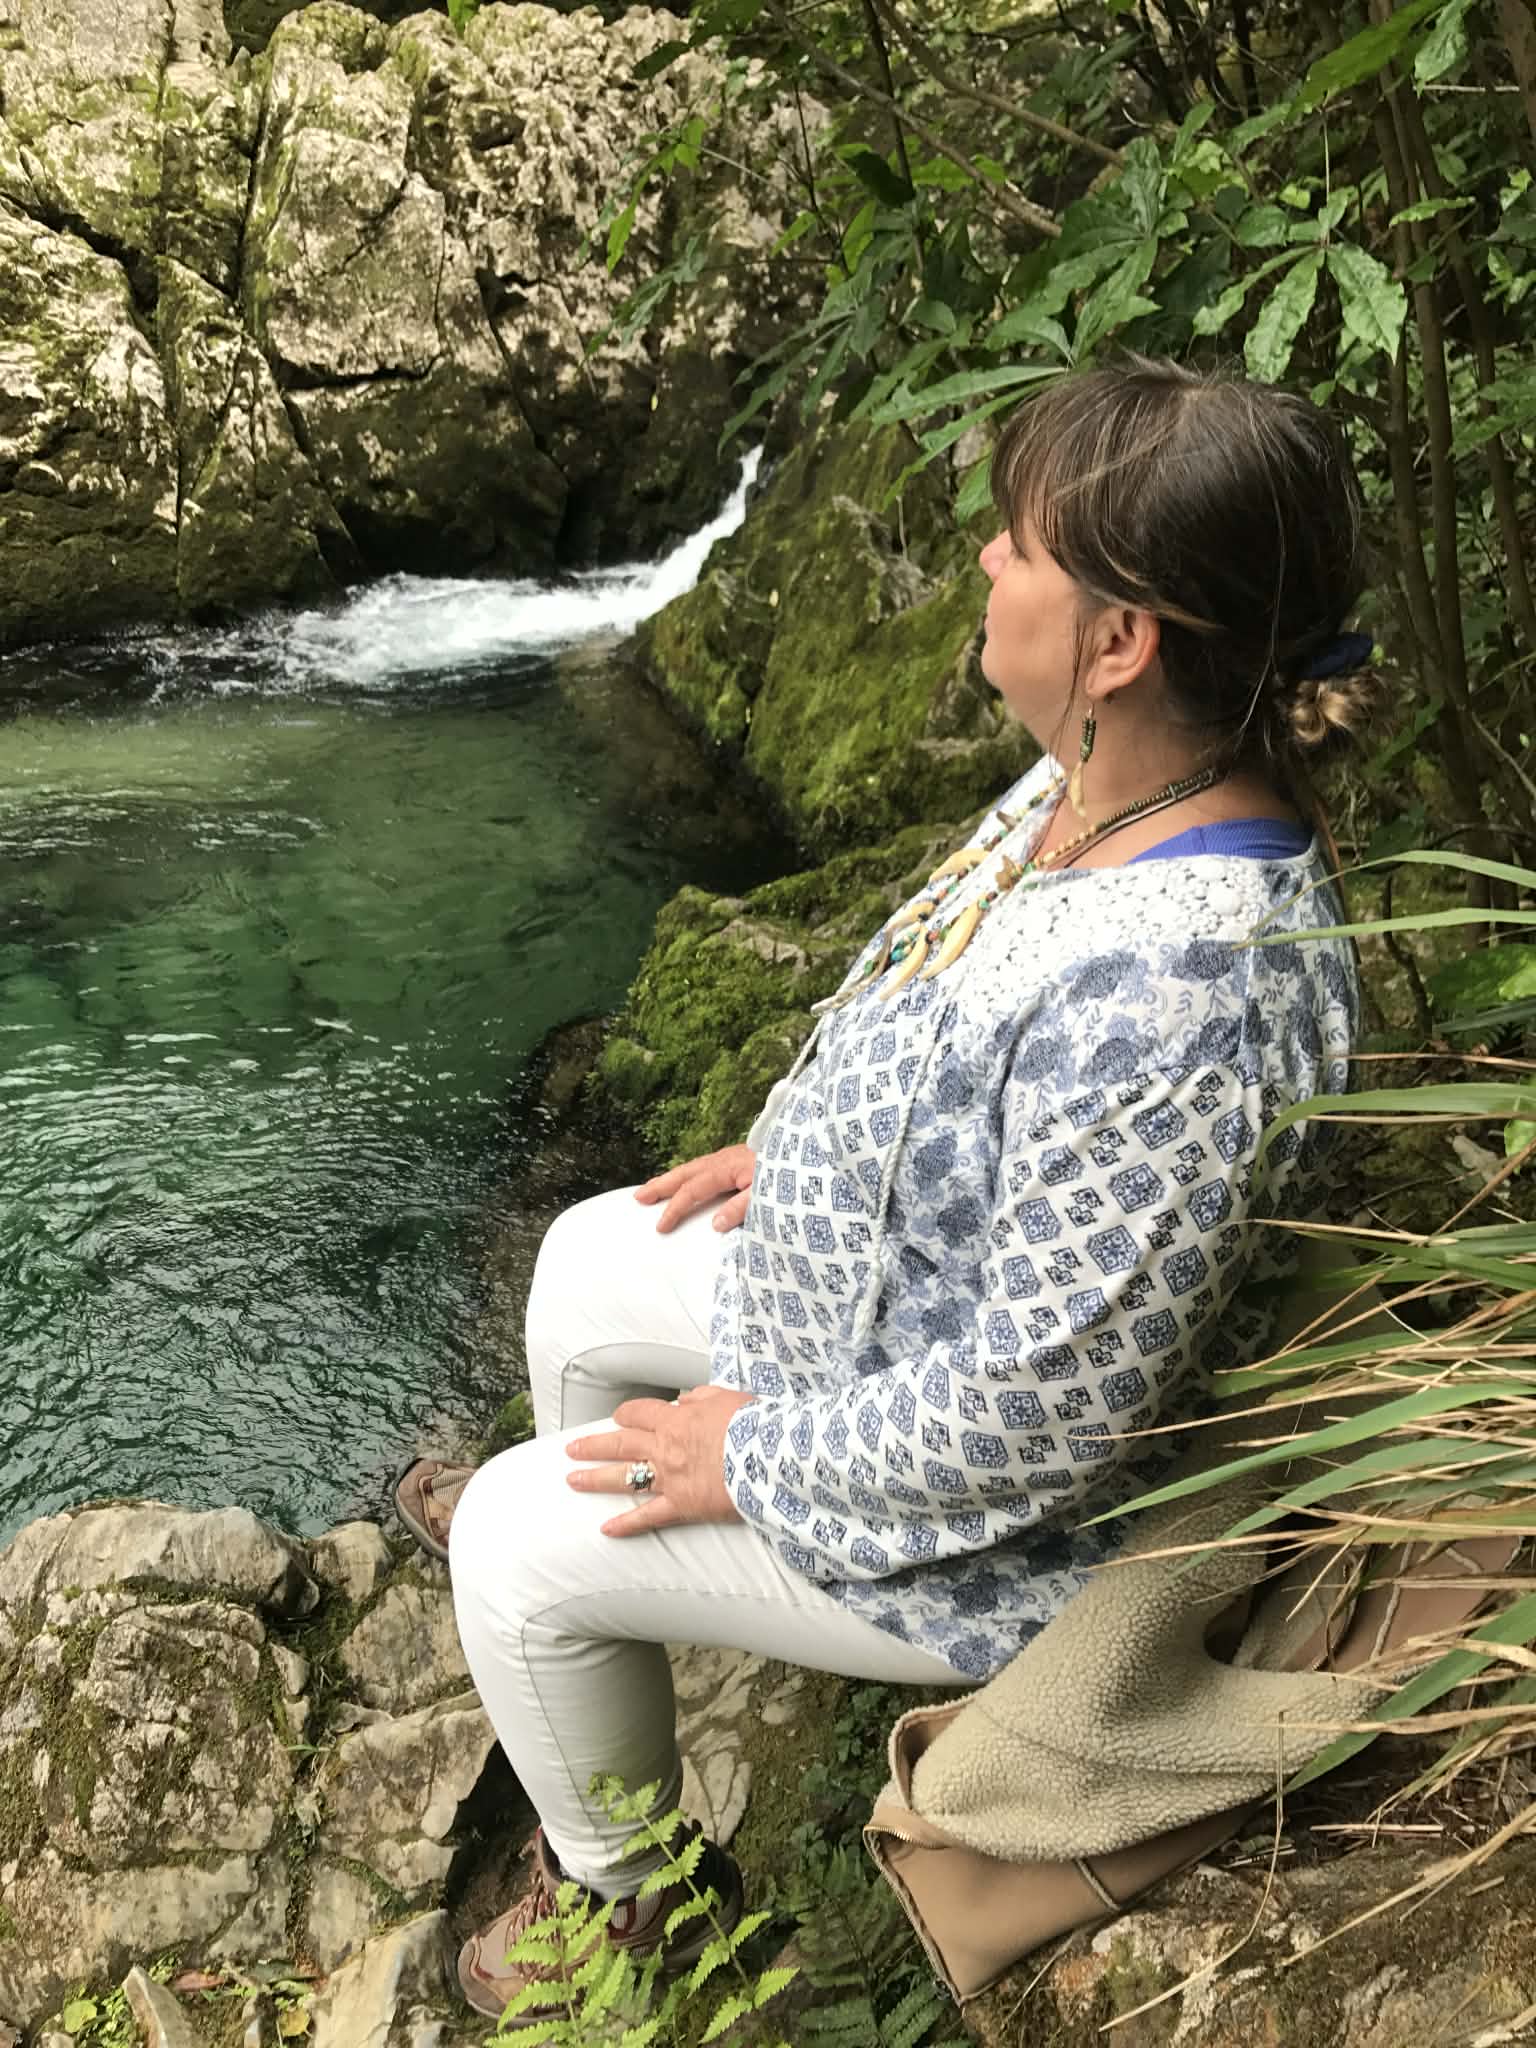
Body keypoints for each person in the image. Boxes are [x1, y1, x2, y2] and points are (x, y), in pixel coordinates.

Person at [398, 356, 1381, 2023]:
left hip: (1007, 1530)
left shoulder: (1183, 1000)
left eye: (1018, 544)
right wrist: (813, 1141)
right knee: (583, 1259)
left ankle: (630, 1893)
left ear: (1120, 641)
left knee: (505, 1536)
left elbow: (1036, 1419)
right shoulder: (1112, 776)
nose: (986, 560)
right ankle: (607, 1643)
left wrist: (746, 1457)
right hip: (882, 1315)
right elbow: (946, 1002)